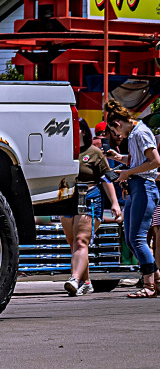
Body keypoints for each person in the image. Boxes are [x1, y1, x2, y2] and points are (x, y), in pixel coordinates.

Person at [104, 99, 160, 298]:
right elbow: (139, 160)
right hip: (137, 187)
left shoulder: (141, 133)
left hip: (144, 187)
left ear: (117, 124)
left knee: (137, 238)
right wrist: (120, 160)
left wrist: (127, 173)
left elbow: (155, 161)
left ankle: (149, 285)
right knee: (130, 238)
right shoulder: (136, 133)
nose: (118, 136)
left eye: (114, 131)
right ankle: (156, 279)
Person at [62, 119, 122, 296]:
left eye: (75, 129)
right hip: (67, 199)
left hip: (89, 197)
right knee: (74, 243)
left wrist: (115, 203)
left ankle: (74, 279)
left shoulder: (94, 152)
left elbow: (106, 178)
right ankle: (86, 282)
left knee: (81, 241)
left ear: (83, 131)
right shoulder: (65, 152)